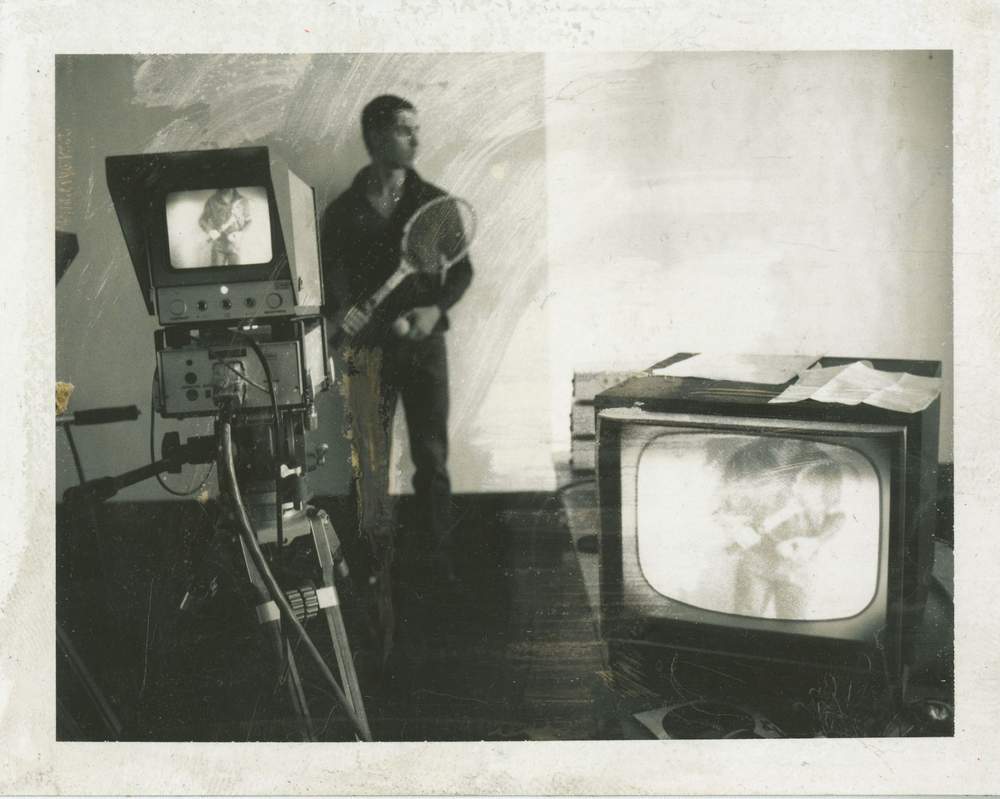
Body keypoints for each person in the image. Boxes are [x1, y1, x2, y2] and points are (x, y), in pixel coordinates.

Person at [319, 95, 473, 661]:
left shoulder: (434, 204)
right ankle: (372, 573)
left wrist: (434, 312)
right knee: (371, 464)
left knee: (431, 460)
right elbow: (331, 285)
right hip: (367, 356)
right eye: (405, 131)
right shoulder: (340, 213)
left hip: (424, 352)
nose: (416, 140)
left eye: (416, 130)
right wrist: (338, 316)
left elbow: (461, 274)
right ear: (374, 136)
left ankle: (438, 568)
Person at [199, 187, 252, 265]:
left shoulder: (243, 201)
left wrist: (241, 233)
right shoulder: (211, 201)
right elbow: (202, 220)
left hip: (235, 245)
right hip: (218, 245)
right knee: (216, 274)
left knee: (236, 274)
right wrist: (210, 231)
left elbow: (249, 221)